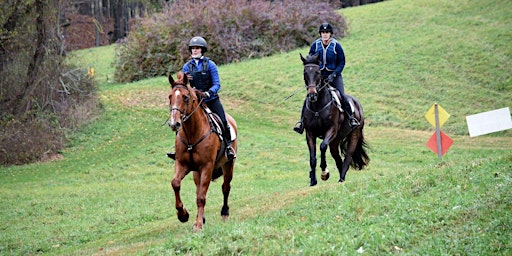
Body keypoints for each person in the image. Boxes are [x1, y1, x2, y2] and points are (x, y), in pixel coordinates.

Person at [168, 36, 236, 160]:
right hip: (195, 102)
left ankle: (228, 147)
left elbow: (217, 84)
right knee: (181, 120)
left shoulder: (210, 65)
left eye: (197, 48)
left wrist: (209, 93)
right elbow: (183, 86)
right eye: (193, 48)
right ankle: (177, 149)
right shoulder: (187, 67)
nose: (194, 50)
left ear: (202, 50)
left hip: (211, 100)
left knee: (223, 120)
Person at [293, 22, 359, 134]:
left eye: (327, 32)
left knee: (342, 96)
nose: (325, 34)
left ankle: (351, 119)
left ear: (330, 34)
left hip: (334, 76)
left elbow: (342, 62)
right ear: (320, 34)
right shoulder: (315, 45)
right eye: (323, 32)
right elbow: (310, 61)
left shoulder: (336, 46)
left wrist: (334, 74)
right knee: (309, 96)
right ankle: (302, 123)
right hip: (319, 76)